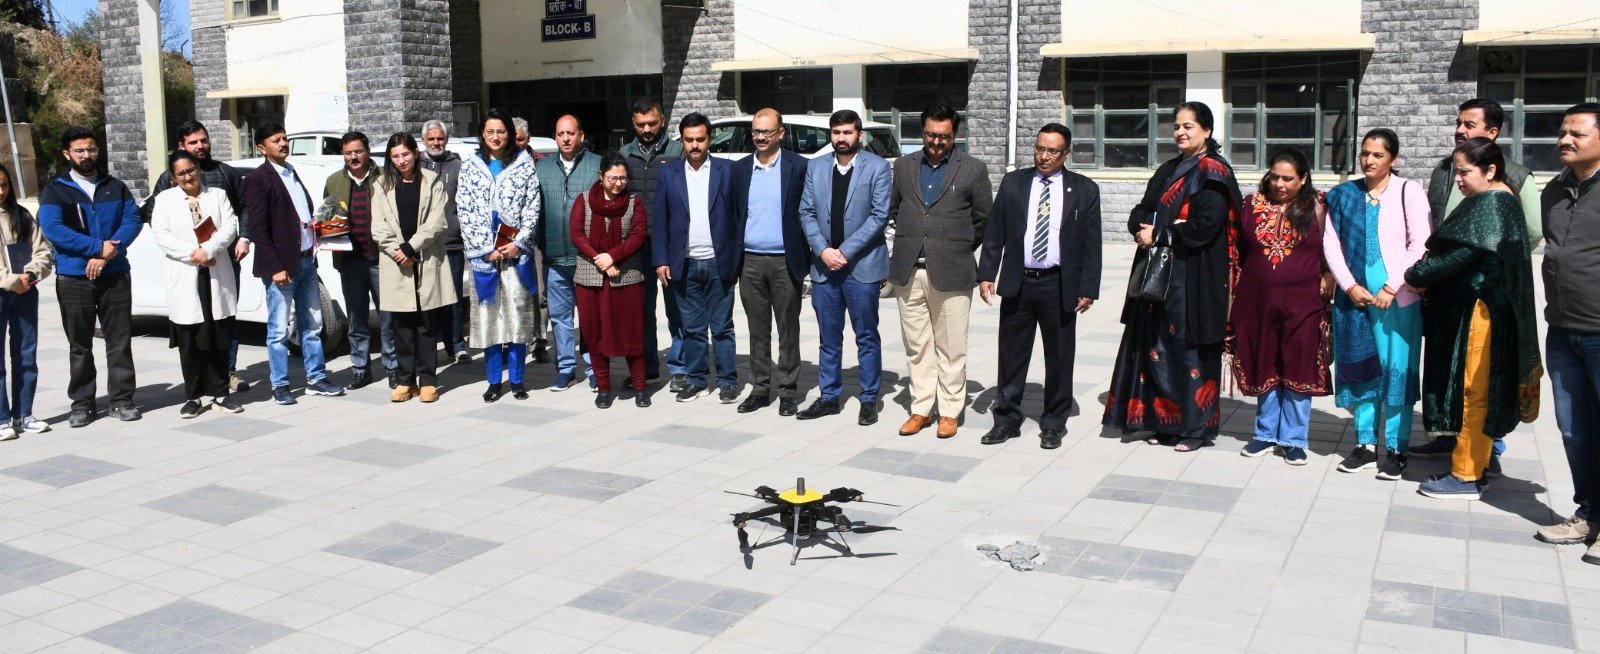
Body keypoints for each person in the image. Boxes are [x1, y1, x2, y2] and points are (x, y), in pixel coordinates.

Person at [1404, 137, 1541, 500]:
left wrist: (1415, 275)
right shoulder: (1495, 198)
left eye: (1464, 172)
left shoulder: (1493, 203)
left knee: (1473, 391)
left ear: (1490, 170)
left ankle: (1466, 475)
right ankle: (1472, 463)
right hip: (1474, 308)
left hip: (1480, 312)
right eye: (1456, 171)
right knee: (1473, 388)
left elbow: (1459, 255)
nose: (1458, 179)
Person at [1103, 102, 1242, 452]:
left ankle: (1194, 429)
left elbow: (1205, 226)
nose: (1180, 132)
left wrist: (1161, 233)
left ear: (1207, 131)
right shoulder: (1169, 169)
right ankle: (1163, 423)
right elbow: (1142, 208)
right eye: (1177, 126)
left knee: (1189, 352)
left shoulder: (1212, 172)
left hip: (1193, 277)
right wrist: (1140, 227)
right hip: (1159, 275)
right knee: (1157, 349)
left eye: (1189, 126)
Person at [978, 124, 1100, 448]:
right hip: (1019, 282)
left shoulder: (1084, 189)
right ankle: (1007, 420)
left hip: (1058, 284)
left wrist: (1089, 287)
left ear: (1066, 154)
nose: (1044, 156)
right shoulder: (1014, 183)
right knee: (1011, 355)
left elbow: (1092, 243)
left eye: (1052, 151)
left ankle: (1054, 423)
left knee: (1059, 357)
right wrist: (987, 273)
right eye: (1039, 149)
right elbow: (995, 231)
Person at [1322, 128, 1430, 479]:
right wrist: (1349, 286)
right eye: (1365, 153)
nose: (1369, 160)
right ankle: (1365, 444)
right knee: (1362, 367)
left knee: (1397, 368)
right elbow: (1331, 243)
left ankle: (1397, 449)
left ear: (1393, 159)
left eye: (1378, 155)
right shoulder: (1344, 195)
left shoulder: (1408, 191)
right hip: (1354, 300)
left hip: (1399, 300)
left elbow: (1421, 243)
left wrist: (1391, 286)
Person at [892, 104, 993, 439]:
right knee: (917, 346)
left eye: (944, 137)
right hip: (909, 270)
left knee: (951, 347)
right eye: (930, 135)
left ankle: (949, 411)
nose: (936, 142)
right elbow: (895, 209)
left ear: (955, 134)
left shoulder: (973, 169)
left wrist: (957, 247)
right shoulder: (904, 166)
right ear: (922, 132)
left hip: (953, 270)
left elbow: (983, 219)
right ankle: (921, 408)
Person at [36, 126, 145, 426]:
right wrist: (97, 248)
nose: (87, 155)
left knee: (119, 341)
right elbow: (54, 229)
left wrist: (107, 254)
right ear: (67, 154)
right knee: (80, 345)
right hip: (74, 277)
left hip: (115, 274)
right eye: (80, 150)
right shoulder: (55, 190)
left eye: (91, 149)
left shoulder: (115, 186)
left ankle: (122, 400)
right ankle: (82, 404)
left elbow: (132, 220)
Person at [1232, 147, 1333, 465]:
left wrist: (1329, 275)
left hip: (1303, 303)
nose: (1279, 184)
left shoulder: (1319, 205)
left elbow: (1334, 247)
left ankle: (1293, 439)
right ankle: (1264, 434)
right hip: (1257, 302)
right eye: (1274, 176)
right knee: (1264, 362)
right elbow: (1236, 250)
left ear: (1303, 179)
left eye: (1288, 178)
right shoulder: (1251, 204)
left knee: (1298, 365)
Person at [1533, 102, 1600, 559]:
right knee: (1575, 429)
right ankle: (1589, 514)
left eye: (1577, 133)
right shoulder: (1554, 191)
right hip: (1562, 328)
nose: (1564, 140)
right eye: (1562, 132)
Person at [796, 109, 893, 425]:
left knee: (866, 336)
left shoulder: (877, 167)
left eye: (847, 132)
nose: (841, 138)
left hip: (861, 268)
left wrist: (844, 252)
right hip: (825, 268)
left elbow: (879, 216)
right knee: (828, 337)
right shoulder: (816, 167)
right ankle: (828, 397)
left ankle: (869, 399)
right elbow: (806, 212)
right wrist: (823, 251)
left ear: (859, 135)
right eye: (836, 132)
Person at [142, 120, 252, 393]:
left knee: (223, 321)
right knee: (192, 326)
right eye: (193, 142)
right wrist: (195, 253)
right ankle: (196, 389)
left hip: (221, 260)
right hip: (187, 265)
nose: (200, 146)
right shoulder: (166, 188)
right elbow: (157, 223)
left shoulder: (225, 175)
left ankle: (226, 374)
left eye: (204, 140)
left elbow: (239, 213)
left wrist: (234, 241)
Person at [242, 123, 346, 405]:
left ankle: (316, 378)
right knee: (278, 331)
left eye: (284, 138)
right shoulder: (258, 179)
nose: (282, 143)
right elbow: (259, 229)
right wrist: (276, 267)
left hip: (306, 261)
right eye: (275, 140)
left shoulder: (291, 171)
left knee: (312, 325)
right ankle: (280, 385)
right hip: (281, 267)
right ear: (262, 148)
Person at [652, 112, 740, 403]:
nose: (694, 145)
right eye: (689, 140)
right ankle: (697, 379)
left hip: (718, 262)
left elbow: (738, 217)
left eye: (700, 139)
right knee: (691, 328)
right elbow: (660, 219)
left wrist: (737, 258)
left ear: (709, 139)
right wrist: (661, 260)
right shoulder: (669, 173)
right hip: (684, 263)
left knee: (722, 327)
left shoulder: (728, 170)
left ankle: (728, 381)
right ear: (681, 140)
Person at [458, 109, 542, 402]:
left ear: (510, 134)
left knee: (517, 316)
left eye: (501, 131)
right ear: (482, 134)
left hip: (515, 253)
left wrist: (519, 242)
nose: (495, 137)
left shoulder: (523, 164)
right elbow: (464, 209)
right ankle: (494, 381)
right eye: (490, 131)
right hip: (485, 256)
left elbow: (532, 206)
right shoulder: (471, 165)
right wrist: (486, 248)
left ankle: (517, 380)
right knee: (489, 318)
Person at [730, 108, 809, 416]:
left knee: (788, 329)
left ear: (781, 133)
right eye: (755, 131)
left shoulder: (798, 166)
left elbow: (808, 212)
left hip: (785, 262)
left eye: (766, 131)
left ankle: (788, 391)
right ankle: (760, 389)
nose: (760, 137)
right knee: (757, 330)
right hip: (750, 261)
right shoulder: (740, 169)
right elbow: (734, 214)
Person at [372, 132, 457, 403]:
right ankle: (405, 381)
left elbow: (437, 221)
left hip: (426, 258)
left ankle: (428, 380)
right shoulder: (381, 184)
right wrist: (399, 251)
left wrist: (411, 247)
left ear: (415, 153)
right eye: (396, 156)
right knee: (401, 326)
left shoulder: (432, 181)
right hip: (396, 262)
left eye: (406, 154)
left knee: (426, 324)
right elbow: (378, 227)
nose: (401, 161)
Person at [572, 152, 651, 409]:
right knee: (595, 333)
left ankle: (640, 387)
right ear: (601, 176)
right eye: (613, 178)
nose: (618, 183)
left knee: (632, 333)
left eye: (623, 178)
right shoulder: (584, 200)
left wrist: (612, 256)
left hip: (627, 276)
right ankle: (604, 388)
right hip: (591, 277)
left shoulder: (634, 202)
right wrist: (601, 260)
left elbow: (638, 236)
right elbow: (577, 234)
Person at [324, 132, 397, 390]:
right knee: (356, 319)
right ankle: (360, 370)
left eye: (357, 151)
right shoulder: (333, 181)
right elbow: (327, 218)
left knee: (388, 317)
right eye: (347, 153)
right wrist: (326, 229)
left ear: (367, 151)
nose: (353, 157)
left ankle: (393, 367)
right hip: (350, 262)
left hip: (381, 260)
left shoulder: (385, 177)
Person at [622, 97, 686, 387]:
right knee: (642, 312)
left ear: (663, 121)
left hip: (671, 245)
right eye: (641, 124)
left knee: (676, 309)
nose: (647, 129)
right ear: (633, 124)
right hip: (638, 246)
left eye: (652, 123)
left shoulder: (676, 152)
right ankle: (648, 367)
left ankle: (680, 368)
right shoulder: (625, 153)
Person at [536, 115, 603, 391]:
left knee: (590, 318)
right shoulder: (542, 168)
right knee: (560, 317)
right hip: (553, 256)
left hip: (586, 258)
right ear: (555, 136)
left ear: (581, 136)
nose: (565, 138)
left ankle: (595, 368)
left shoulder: (597, 165)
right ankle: (565, 369)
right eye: (560, 133)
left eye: (571, 133)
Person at [0, 163, 53, 438]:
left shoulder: (21, 215)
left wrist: (30, 275)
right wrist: (12, 281)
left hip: (25, 292)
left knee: (25, 354)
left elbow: (42, 251)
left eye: (4, 185)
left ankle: (23, 414)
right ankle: (1, 419)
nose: (0, 191)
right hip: (4, 290)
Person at [419, 118, 470, 364]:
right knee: (427, 299)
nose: (436, 142)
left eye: (440, 138)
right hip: (424, 246)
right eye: (431, 139)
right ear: (423, 141)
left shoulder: (458, 166)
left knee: (454, 298)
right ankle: (428, 348)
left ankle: (457, 345)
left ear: (446, 140)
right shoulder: (415, 166)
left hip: (452, 244)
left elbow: (466, 204)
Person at [514, 116, 551, 363]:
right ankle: (512, 342)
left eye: (519, 139)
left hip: (536, 239)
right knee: (513, 293)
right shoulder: (500, 164)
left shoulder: (542, 164)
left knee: (539, 293)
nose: (515, 143)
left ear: (528, 138)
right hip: (508, 239)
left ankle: (539, 341)